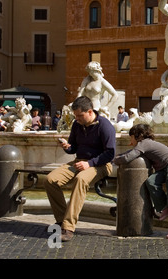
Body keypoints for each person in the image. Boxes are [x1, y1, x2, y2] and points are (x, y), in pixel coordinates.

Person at [44, 96, 116, 242]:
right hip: (79, 161)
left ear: (90, 112)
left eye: (79, 116)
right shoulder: (78, 125)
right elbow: (74, 147)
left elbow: (110, 153)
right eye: (75, 116)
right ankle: (62, 219)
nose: (76, 119)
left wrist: (89, 164)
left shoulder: (105, 126)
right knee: (49, 179)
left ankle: (68, 228)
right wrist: (68, 147)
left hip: (101, 164)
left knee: (80, 179)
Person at [113, 124, 168, 239]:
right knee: (151, 182)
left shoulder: (144, 143)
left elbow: (129, 157)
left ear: (136, 136)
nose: (130, 140)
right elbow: (130, 153)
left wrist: (116, 160)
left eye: (131, 137)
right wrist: (118, 157)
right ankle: (164, 207)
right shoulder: (144, 144)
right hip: (164, 168)